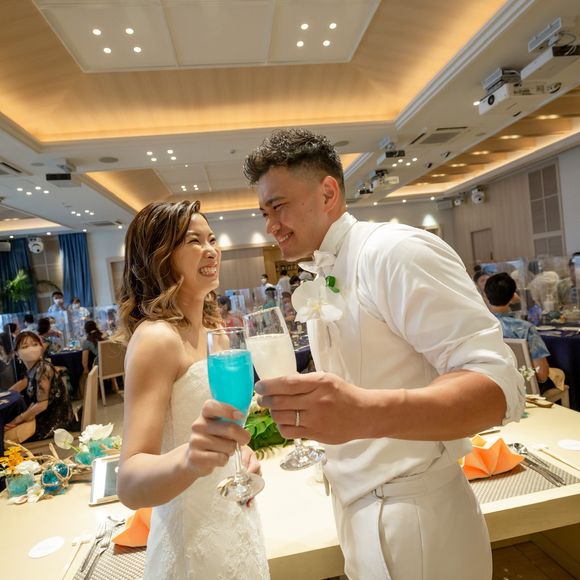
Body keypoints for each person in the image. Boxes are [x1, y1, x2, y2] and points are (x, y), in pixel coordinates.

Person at [243, 128, 524, 580]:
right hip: (357, 508)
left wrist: (363, 413)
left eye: (278, 206)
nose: (270, 225)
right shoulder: (325, 266)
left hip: (416, 515)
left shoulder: (395, 252)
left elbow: (497, 387)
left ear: (328, 193)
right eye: (264, 212)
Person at [116, 200, 269, 579]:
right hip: (192, 541)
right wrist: (189, 459)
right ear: (159, 257)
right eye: (193, 241)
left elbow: (216, 428)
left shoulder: (215, 333)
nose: (211, 249)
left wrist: (241, 452)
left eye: (212, 239)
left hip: (235, 522)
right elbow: (129, 483)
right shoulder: (156, 338)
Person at [484, 273, 554, 394]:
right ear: (513, 296)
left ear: (485, 295)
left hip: (494, 388)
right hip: (525, 388)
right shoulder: (525, 329)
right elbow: (542, 375)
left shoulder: (481, 326)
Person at [4, 331, 74, 441]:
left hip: (54, 422)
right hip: (46, 416)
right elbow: (21, 385)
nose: (31, 349)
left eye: (35, 344)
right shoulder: (33, 369)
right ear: (17, 353)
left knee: (6, 438)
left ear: (41, 348)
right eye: (25, 346)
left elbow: (42, 405)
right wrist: (6, 395)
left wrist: (18, 420)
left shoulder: (43, 369)